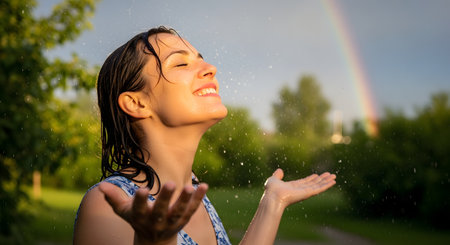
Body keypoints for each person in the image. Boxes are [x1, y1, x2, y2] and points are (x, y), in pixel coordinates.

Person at [73, 26, 337, 245]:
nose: (210, 68)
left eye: (201, 58)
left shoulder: (196, 192)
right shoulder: (107, 206)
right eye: (180, 63)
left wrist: (273, 202)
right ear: (137, 103)